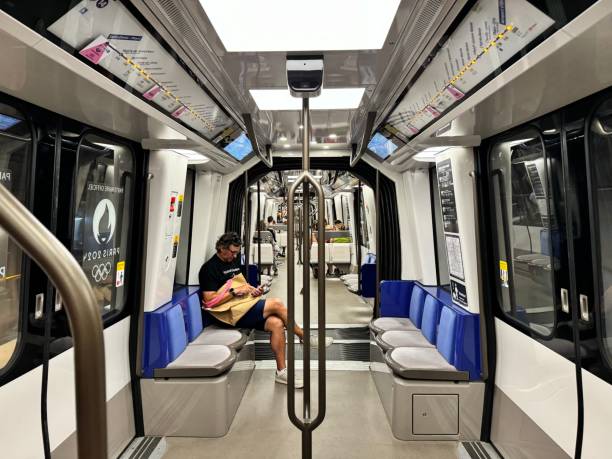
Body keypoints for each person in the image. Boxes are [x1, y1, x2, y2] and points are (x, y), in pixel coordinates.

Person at [199, 233, 332, 387]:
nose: (234, 256)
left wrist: (253, 290)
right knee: (276, 304)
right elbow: (210, 300)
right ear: (222, 248)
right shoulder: (209, 269)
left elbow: (242, 286)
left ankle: (281, 372)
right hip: (227, 314)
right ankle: (304, 337)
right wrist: (234, 292)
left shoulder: (233, 262)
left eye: (236, 252)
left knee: (277, 324)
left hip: (241, 306)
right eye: (232, 252)